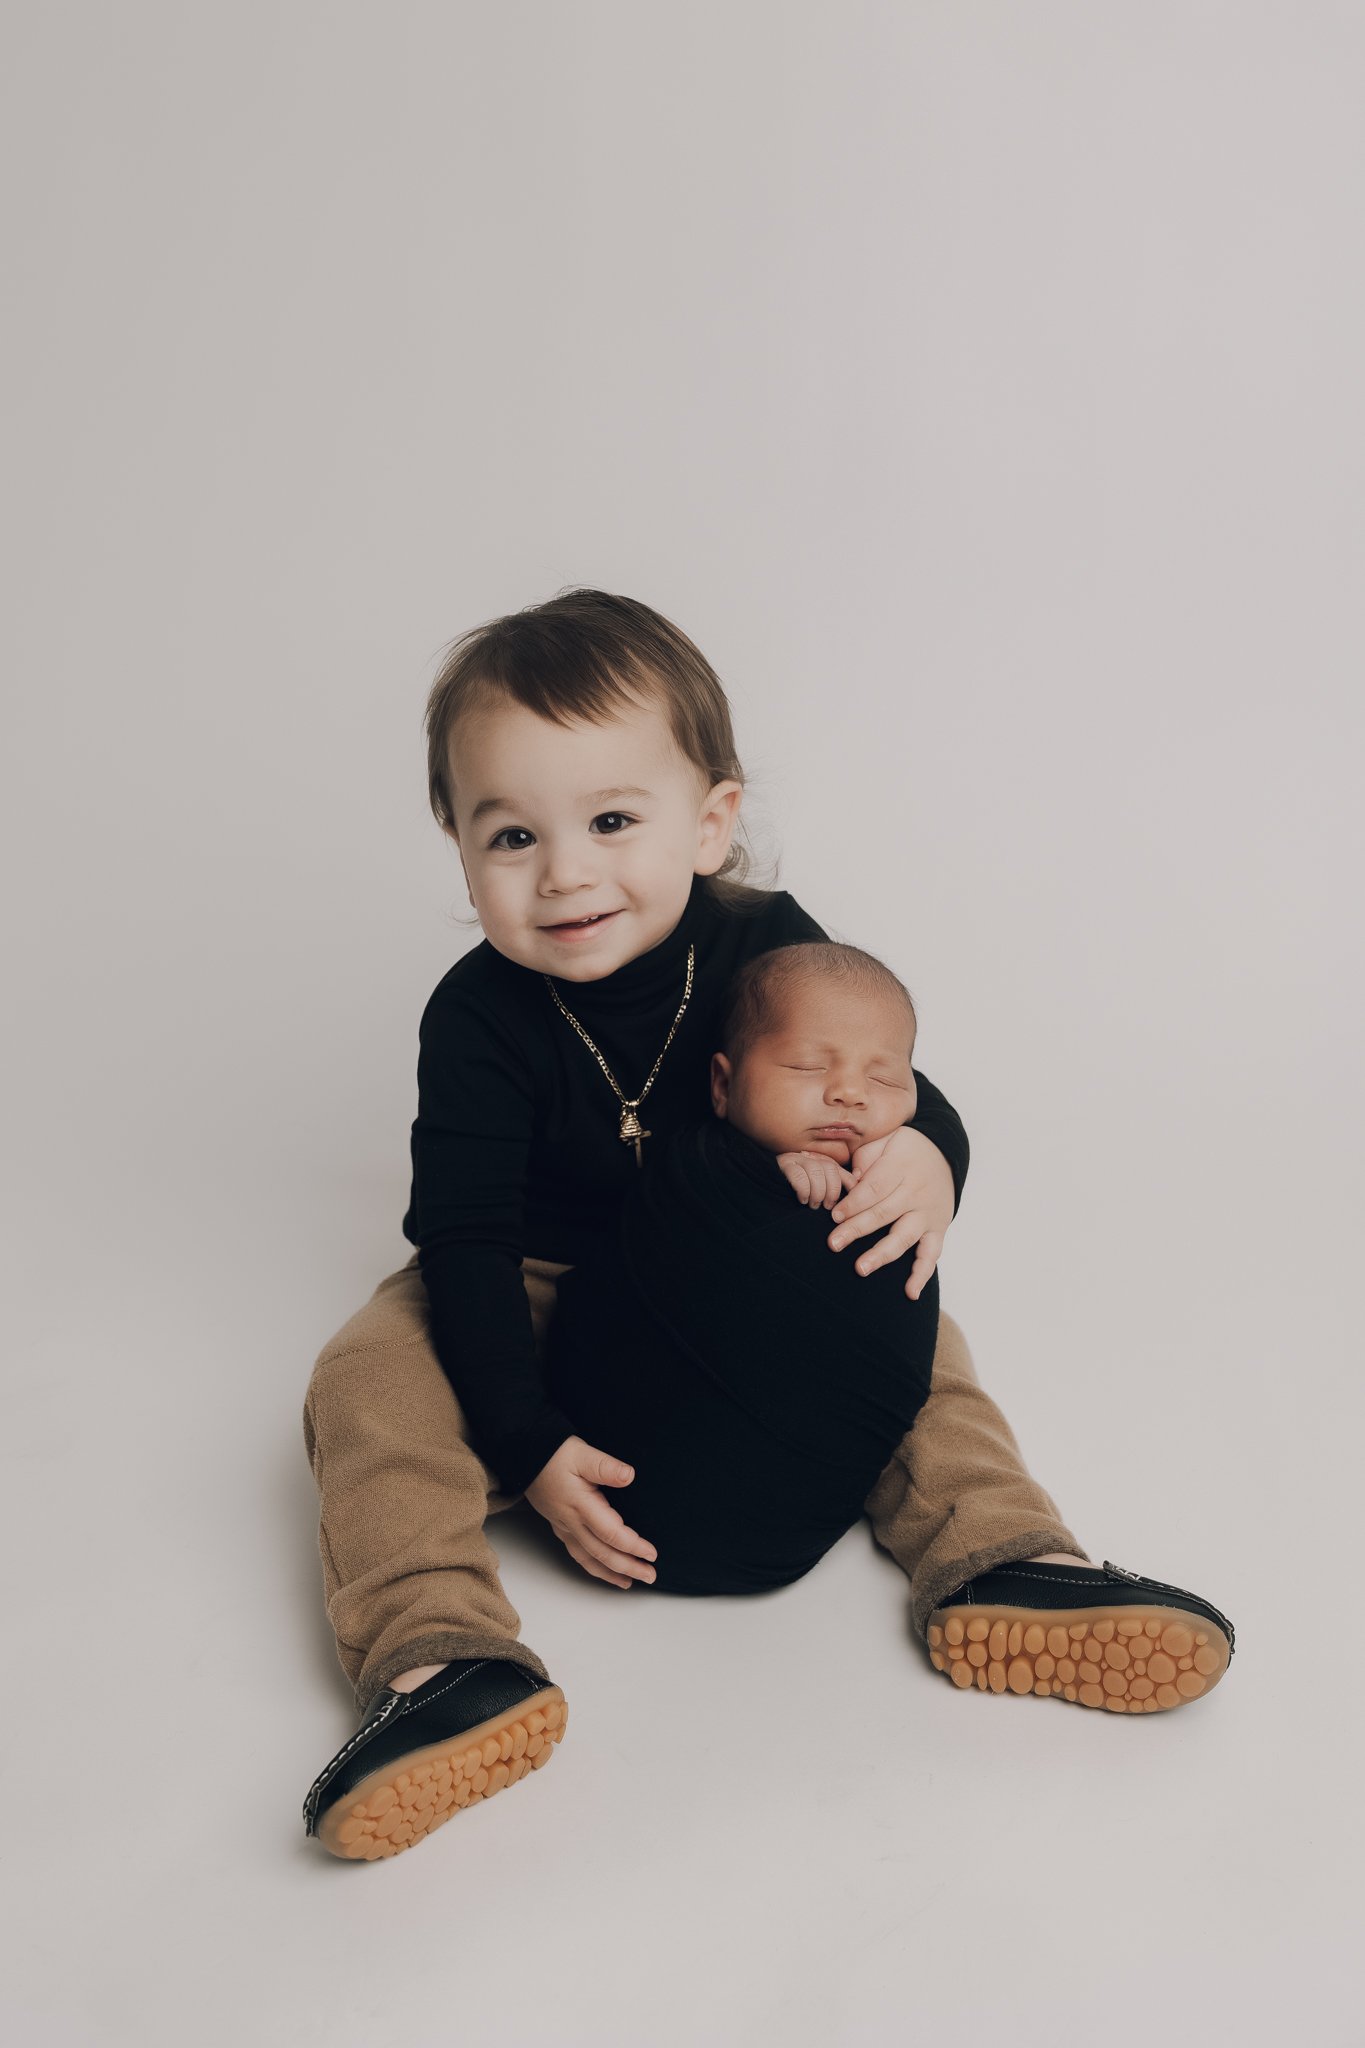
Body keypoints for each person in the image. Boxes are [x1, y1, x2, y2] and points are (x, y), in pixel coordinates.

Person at [300, 589, 1234, 1863]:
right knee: (369, 1376)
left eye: (613, 820)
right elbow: (463, 1235)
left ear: (712, 822)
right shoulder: (475, 1017)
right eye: (512, 833)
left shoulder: (760, 944)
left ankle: (1002, 1557)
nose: (566, 870)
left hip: (740, 1254)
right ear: (459, 848)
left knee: (915, 1325)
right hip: (535, 1270)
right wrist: (525, 1438)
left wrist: (930, 1157)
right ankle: (440, 1653)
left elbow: (878, 1071)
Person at [543, 942, 942, 1596]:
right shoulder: (696, 1166)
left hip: (779, 1523)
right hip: (622, 1480)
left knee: (950, 1408)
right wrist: (773, 1169)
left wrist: (932, 1160)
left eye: (885, 1080)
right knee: (391, 1394)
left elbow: (923, 1131)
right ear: (722, 1086)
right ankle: (430, 1628)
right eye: (808, 1066)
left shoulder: (770, 929)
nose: (848, 1093)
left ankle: (1008, 1550)